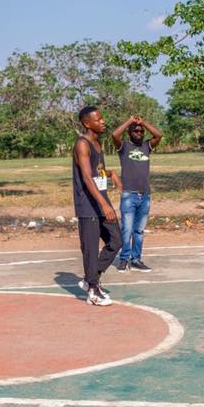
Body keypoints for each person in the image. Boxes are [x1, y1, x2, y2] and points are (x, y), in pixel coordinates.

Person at [74, 105, 123, 306]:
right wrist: (104, 204)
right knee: (91, 249)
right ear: (87, 123)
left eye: (102, 118)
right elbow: (86, 177)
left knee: (116, 240)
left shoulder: (97, 143)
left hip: (101, 201)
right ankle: (93, 291)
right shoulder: (82, 144)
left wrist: (111, 173)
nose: (103, 121)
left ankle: (91, 278)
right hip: (89, 206)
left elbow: (96, 171)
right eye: (99, 119)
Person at [110, 114, 162, 272]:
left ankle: (136, 259)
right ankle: (124, 259)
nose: (139, 133)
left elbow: (158, 135)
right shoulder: (124, 147)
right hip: (128, 195)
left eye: (141, 131)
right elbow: (114, 134)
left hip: (144, 195)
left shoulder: (147, 146)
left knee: (139, 230)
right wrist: (130, 121)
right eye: (135, 131)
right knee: (127, 228)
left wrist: (143, 122)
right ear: (129, 133)